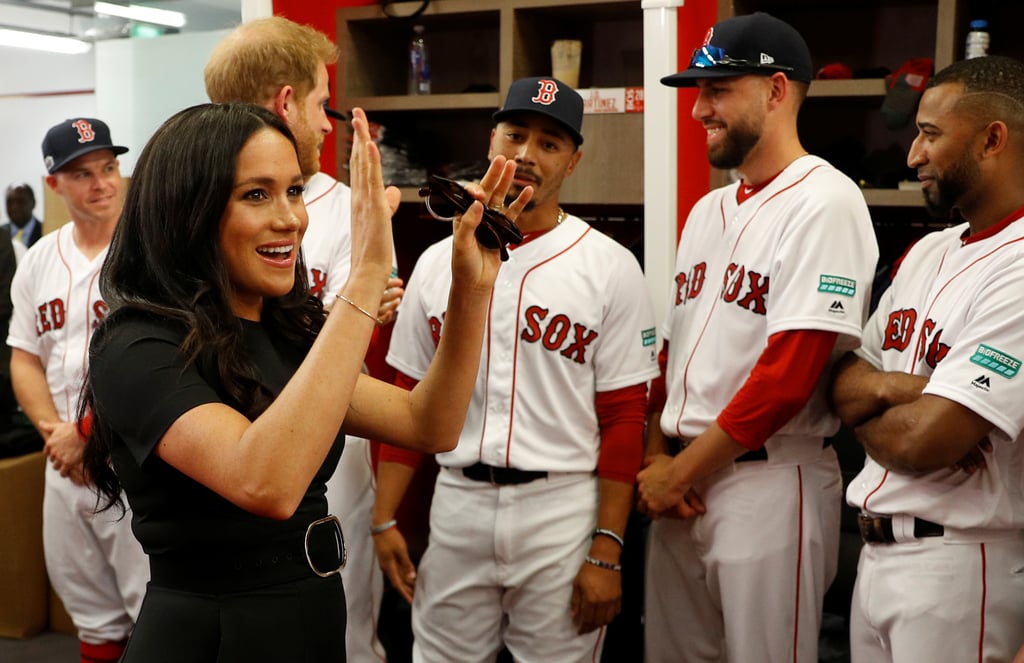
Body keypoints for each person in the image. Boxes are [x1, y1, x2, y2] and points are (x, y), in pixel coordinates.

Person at [79, 101, 527, 662]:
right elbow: (266, 482)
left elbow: (429, 422)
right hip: (212, 637)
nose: (291, 218)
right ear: (188, 209)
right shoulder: (135, 342)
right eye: (256, 194)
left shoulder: (286, 331)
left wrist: (472, 289)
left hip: (308, 622)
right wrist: (366, 276)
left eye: (294, 190)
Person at [371, 76, 659, 662]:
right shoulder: (434, 261)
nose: (526, 155)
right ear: (492, 139)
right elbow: (405, 395)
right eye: (516, 134)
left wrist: (607, 549)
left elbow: (625, 416)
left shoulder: (610, 267)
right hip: (456, 505)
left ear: (573, 161)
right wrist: (383, 517)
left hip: (561, 511)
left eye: (550, 143)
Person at [637, 12, 879, 663]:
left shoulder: (826, 201)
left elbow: (787, 377)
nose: (698, 109)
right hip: (684, 484)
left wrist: (675, 471)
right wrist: (660, 457)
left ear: (776, 91)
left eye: (717, 89)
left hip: (768, 483)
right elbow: (675, 356)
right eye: (698, 90)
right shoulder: (707, 209)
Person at [204, 17, 404, 660]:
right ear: (286, 101)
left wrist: (357, 311)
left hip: (326, 453)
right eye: (322, 104)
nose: (328, 123)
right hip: (214, 454)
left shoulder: (351, 204)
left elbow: (362, 348)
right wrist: (355, 309)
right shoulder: (188, 205)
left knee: (339, 636)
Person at [829, 55, 1024, 663]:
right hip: (876, 559)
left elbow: (927, 442)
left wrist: (877, 395)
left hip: (962, 564)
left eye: (930, 134)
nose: (912, 155)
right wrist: (910, 389)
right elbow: (839, 381)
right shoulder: (925, 251)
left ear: (993, 138)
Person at [7, 117, 148, 663]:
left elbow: (163, 365)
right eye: (84, 173)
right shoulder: (39, 260)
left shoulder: (152, 250)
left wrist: (89, 438)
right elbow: (24, 357)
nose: (103, 183)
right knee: (91, 615)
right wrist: (59, 438)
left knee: (155, 608)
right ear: (54, 185)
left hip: (136, 460)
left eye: (110, 168)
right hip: (64, 463)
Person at [4, 183, 43, 250]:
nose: (14, 207)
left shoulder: (45, 232)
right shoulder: (2, 234)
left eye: (20, 201)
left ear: (33, 203)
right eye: (10, 202)